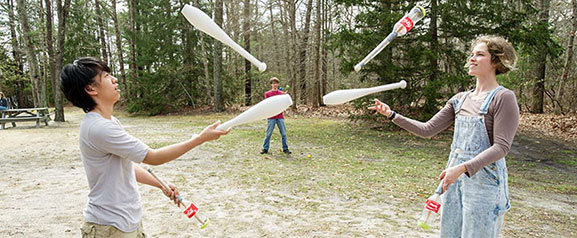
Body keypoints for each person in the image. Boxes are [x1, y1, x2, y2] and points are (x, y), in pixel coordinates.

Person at [60, 57, 229, 237]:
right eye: (107, 76)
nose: (114, 79)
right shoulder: (99, 128)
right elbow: (153, 157)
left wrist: (161, 184)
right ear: (90, 89)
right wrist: (199, 139)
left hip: (124, 222)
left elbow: (126, 165)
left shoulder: (108, 122)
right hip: (109, 227)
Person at [369, 35, 519, 237]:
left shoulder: (503, 98)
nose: (472, 59)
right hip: (453, 181)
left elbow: (501, 147)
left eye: (480, 55)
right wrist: (391, 115)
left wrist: (463, 168)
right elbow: (427, 129)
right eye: (471, 55)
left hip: (485, 187)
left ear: (495, 61)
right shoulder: (459, 100)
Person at [260, 77, 291, 154]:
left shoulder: (281, 93)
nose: (275, 85)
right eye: (273, 83)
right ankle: (265, 148)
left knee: (283, 133)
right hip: (271, 117)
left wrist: (284, 96)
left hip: (280, 116)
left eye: (276, 83)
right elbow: (268, 104)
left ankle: (285, 148)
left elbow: (284, 103)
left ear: (278, 84)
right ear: (271, 84)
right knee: (268, 134)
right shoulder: (267, 94)